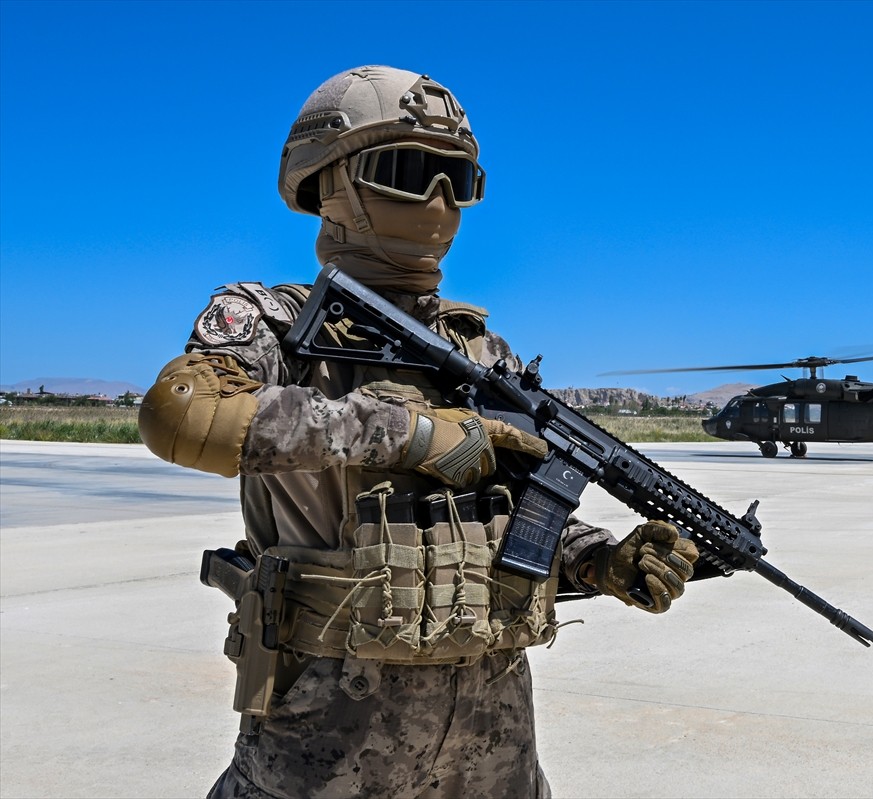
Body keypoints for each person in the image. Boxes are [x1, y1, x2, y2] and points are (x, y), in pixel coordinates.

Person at [137, 65, 699, 798]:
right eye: (406, 170)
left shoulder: (482, 354)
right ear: (328, 181)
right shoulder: (274, 324)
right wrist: (408, 433)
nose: (437, 200)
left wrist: (602, 559)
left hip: (494, 750)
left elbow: (523, 517)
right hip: (322, 746)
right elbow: (179, 417)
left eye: (456, 180)